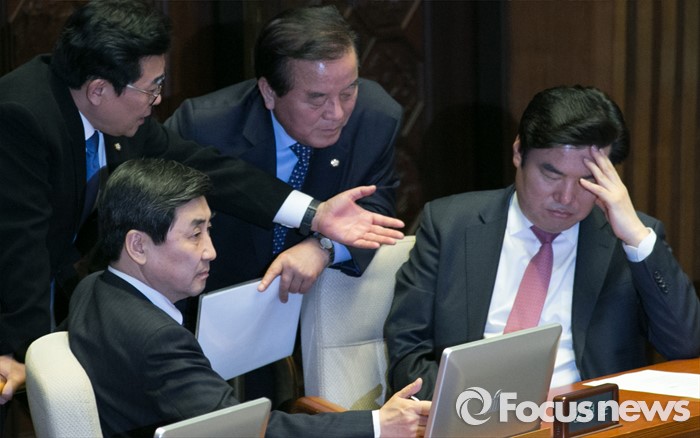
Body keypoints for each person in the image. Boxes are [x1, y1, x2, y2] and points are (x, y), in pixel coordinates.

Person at [0, 0, 404, 405]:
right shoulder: (21, 117)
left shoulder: (111, 111)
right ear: (99, 90)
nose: (158, 99)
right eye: (151, 87)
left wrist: (314, 216)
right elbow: (20, 249)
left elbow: (210, 168)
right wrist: (34, 357)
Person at [67, 158, 430, 437]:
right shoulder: (157, 340)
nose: (210, 251)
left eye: (209, 229)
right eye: (194, 235)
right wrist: (378, 424)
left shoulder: (95, 287)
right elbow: (246, 431)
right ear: (137, 246)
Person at [384, 85, 700, 400]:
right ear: (519, 152)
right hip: (470, 409)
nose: (566, 197)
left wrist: (636, 238)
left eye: (588, 180)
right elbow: (407, 354)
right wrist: (470, 408)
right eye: (552, 175)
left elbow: (685, 345)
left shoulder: (629, 240)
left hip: (588, 416)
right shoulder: (449, 224)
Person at [165, 4, 402, 299]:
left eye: (348, 91)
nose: (337, 113)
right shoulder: (203, 128)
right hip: (210, 301)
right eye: (317, 99)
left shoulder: (375, 118)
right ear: (268, 92)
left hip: (314, 302)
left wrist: (323, 248)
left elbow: (376, 209)